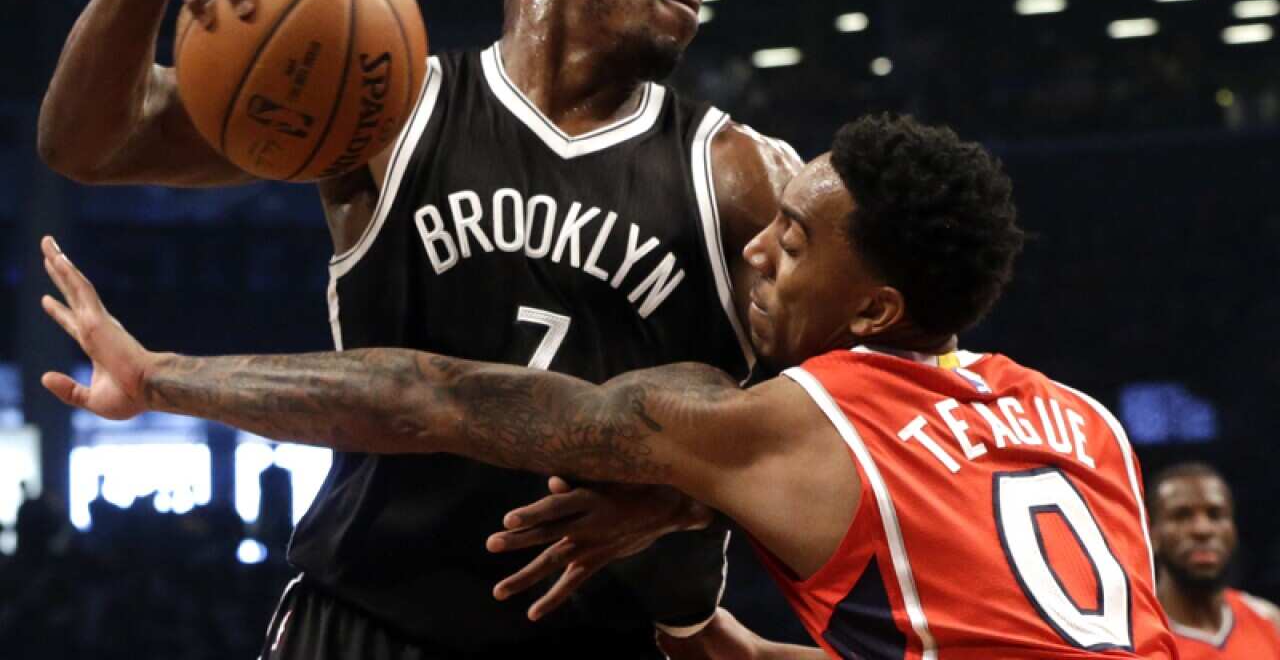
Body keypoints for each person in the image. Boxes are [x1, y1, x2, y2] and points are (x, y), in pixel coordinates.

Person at [40, 114, 1179, 658]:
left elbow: (430, 396)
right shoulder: (1079, 424)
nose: (757, 249)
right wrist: (717, 627)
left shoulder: (796, 421)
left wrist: (161, 379)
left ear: (875, 309)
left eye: (793, 236)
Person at [37, 0, 801, 656]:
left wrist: (684, 501)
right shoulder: (384, 109)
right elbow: (91, 143)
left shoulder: (743, 178)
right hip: (367, 616)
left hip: (594, 632)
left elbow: (856, 418)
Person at [1149, 462, 1280, 658]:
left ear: (1233, 530)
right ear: (1152, 533)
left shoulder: (1269, 620)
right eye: (1181, 516)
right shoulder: (1135, 636)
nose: (1202, 530)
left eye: (1215, 515)